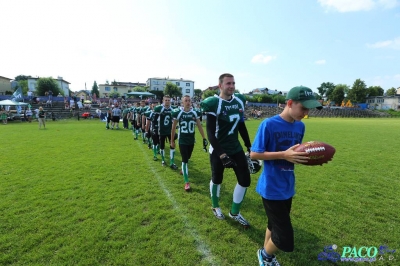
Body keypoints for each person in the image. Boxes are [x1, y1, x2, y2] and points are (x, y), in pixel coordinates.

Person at [250, 86, 322, 266]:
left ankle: (266, 254)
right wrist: (283, 155)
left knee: (273, 225)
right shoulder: (268, 124)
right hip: (271, 187)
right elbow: (254, 154)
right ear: (289, 103)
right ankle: (265, 256)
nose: (305, 113)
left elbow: (294, 152)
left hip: (287, 186)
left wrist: (304, 157)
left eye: (308, 109)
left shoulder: (300, 126)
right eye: (303, 108)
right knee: (285, 236)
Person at [200, 73, 252, 227]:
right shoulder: (213, 103)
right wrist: (222, 154)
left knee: (245, 180)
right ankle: (215, 206)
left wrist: (249, 146)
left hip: (235, 147)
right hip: (218, 148)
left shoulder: (239, 101)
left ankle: (234, 212)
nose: (231, 86)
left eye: (233, 83)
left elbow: (241, 125)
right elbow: (210, 132)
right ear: (220, 85)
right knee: (217, 178)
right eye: (228, 83)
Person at [171, 95, 208, 191]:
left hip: (191, 140)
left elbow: (199, 126)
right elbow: (173, 128)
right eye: (186, 101)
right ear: (182, 102)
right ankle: (187, 182)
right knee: (185, 160)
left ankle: (183, 169)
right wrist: (172, 140)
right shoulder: (178, 113)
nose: (188, 102)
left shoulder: (194, 112)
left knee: (188, 158)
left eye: (189, 101)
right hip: (182, 140)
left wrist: (204, 138)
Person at [153, 95, 178, 169]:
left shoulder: (173, 109)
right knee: (162, 147)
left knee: (172, 146)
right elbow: (154, 119)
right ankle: (163, 160)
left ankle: (172, 162)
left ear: (170, 101)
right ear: (163, 101)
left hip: (170, 131)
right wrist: (154, 128)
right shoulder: (159, 108)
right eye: (166, 100)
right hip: (162, 131)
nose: (167, 101)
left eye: (168, 100)